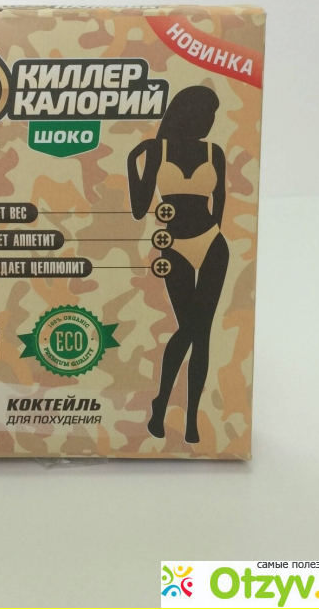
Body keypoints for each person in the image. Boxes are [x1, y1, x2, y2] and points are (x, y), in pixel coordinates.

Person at [127, 85, 228, 443]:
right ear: (187, 113)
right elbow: (139, 208)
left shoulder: (215, 152)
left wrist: (213, 235)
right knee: (190, 328)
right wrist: (132, 162)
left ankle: (191, 420)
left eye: (213, 115)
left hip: (212, 244)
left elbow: (219, 201)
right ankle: (161, 404)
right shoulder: (159, 150)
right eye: (205, 113)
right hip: (174, 247)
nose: (210, 121)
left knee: (203, 334)